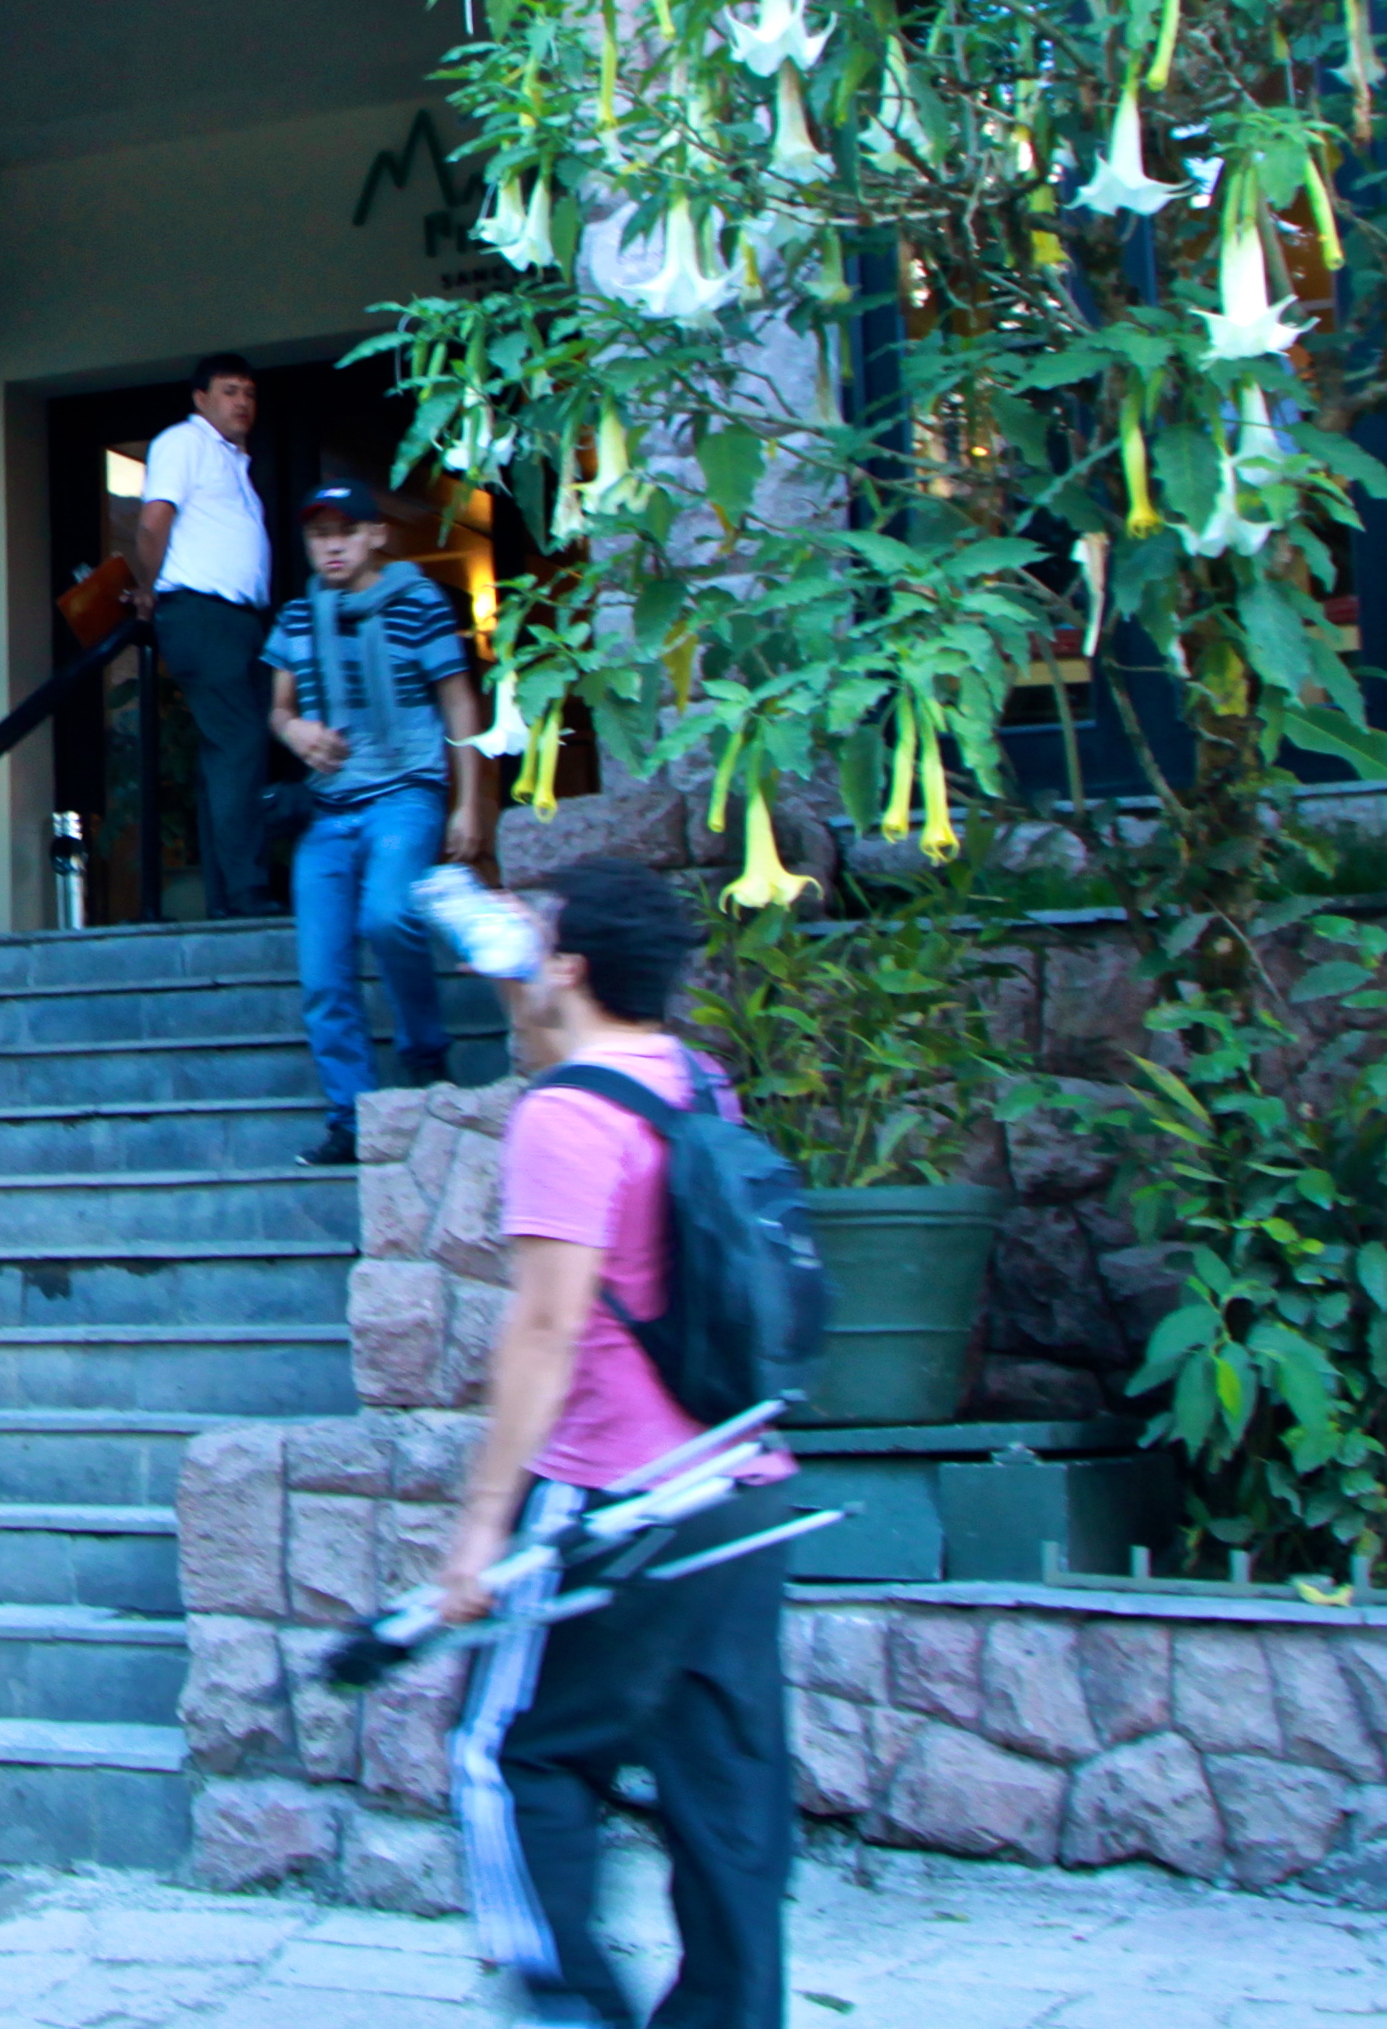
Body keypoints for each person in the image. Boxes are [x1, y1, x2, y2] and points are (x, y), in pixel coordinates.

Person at [437, 859, 797, 2029]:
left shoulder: (563, 1116)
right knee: (723, 1793)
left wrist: (479, 1531)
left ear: (577, 965)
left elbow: (545, 1330)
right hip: (738, 1483)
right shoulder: (697, 1083)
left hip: (612, 1496)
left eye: (543, 941)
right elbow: (567, 1051)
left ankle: (571, 2008)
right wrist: (523, 987)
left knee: (510, 1753)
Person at [259, 482, 487, 1164]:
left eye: (345, 530)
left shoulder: (420, 603)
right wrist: (294, 731)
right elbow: (278, 707)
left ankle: (424, 1055)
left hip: (406, 795)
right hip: (328, 808)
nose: (331, 545)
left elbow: (459, 701)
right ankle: (350, 1118)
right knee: (322, 972)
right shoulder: (298, 615)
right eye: (318, 534)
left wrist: (470, 803)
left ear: (376, 535)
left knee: (389, 916)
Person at [131, 354, 277, 917]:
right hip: (202, 613)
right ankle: (245, 893)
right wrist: (149, 590)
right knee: (240, 744)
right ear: (201, 399)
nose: (243, 402)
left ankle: (229, 895)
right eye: (229, 391)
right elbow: (153, 522)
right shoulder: (184, 442)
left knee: (230, 752)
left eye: (250, 393)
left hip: (237, 620)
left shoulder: (233, 460)